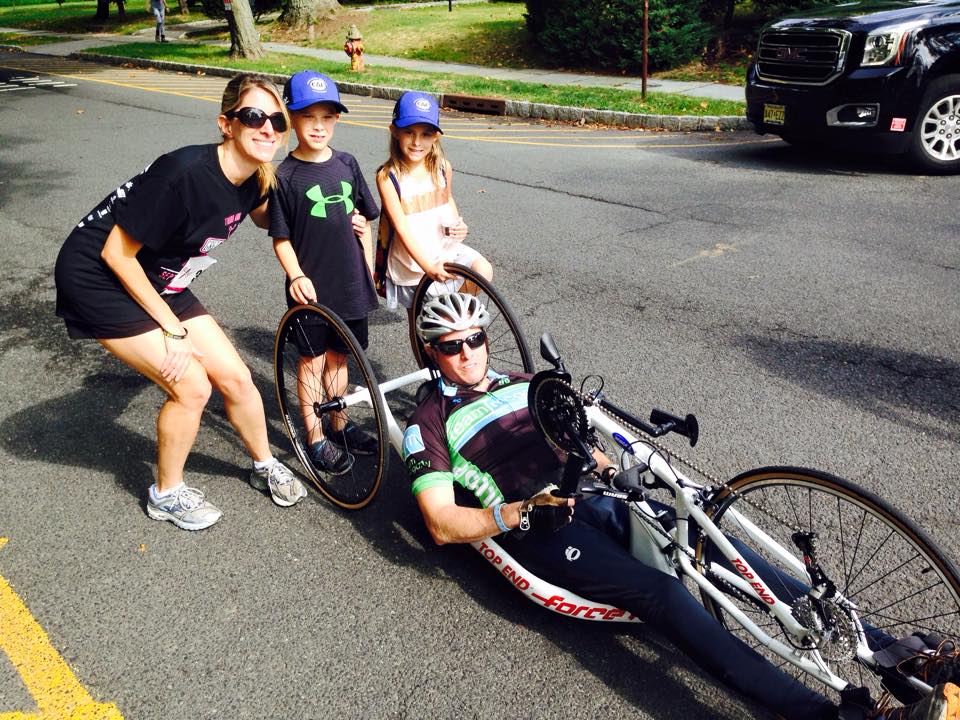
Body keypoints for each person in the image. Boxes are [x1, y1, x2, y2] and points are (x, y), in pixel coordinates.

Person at [401, 292, 960, 720]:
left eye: (476, 339)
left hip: (599, 492)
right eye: (452, 345)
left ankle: (905, 657)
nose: (469, 353)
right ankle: (836, 715)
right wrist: (518, 514)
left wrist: (607, 460)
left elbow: (581, 432)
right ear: (432, 350)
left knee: (715, 543)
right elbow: (441, 523)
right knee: (660, 592)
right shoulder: (427, 422)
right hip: (542, 523)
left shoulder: (523, 381)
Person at [54, 73, 307, 531]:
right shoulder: (184, 173)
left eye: (277, 119)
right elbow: (116, 254)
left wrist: (325, 213)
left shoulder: (255, 176)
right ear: (226, 124)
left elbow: (267, 217)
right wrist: (172, 330)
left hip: (161, 271)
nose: (267, 127)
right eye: (254, 116)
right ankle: (165, 493)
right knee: (192, 385)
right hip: (98, 273)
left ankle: (263, 463)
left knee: (236, 376)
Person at [269, 70, 381, 475]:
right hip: (311, 289)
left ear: (337, 119)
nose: (319, 126)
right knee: (311, 362)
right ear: (291, 118)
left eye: (327, 117)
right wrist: (296, 275)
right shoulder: (284, 177)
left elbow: (365, 218)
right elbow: (280, 238)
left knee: (340, 357)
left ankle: (340, 423)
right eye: (308, 116)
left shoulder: (347, 163)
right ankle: (315, 437)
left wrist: (367, 265)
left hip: (350, 282)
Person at [375, 91, 493, 316]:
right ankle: (430, 341)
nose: (417, 142)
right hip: (413, 263)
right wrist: (427, 266)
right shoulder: (388, 177)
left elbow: (447, 199)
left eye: (426, 134)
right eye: (409, 132)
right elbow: (400, 227)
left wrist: (459, 224)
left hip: (445, 250)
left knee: (483, 270)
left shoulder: (442, 167)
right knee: (421, 322)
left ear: (436, 136)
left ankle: (454, 314)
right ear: (395, 131)